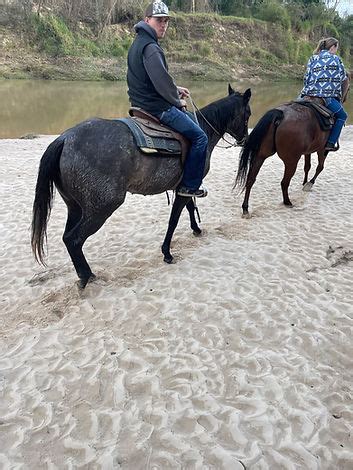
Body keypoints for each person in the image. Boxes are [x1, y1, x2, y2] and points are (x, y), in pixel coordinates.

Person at [127, 1, 208, 197]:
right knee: (200, 138)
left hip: (140, 104)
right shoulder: (152, 47)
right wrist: (176, 100)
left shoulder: (138, 43)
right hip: (157, 108)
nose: (163, 25)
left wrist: (175, 88)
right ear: (147, 20)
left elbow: (153, 79)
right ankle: (189, 186)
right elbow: (162, 83)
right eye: (159, 20)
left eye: (166, 21)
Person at [300, 37, 348, 152]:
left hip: (307, 95)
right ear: (333, 47)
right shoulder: (336, 59)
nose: (336, 51)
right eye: (336, 48)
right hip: (326, 98)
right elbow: (343, 78)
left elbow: (306, 78)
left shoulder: (313, 58)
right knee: (342, 116)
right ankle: (331, 143)